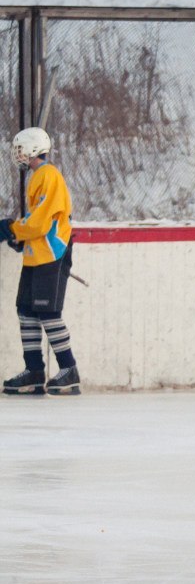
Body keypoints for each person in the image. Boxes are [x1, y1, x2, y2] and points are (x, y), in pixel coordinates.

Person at [1, 126, 80, 396]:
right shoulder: (38, 176)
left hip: (52, 253)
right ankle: (34, 371)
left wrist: (13, 229)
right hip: (37, 254)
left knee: (48, 312)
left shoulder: (49, 176)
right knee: (25, 309)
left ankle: (69, 369)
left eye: (21, 149)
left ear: (34, 149)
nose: (18, 154)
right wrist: (20, 238)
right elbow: (37, 221)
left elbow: (41, 221)